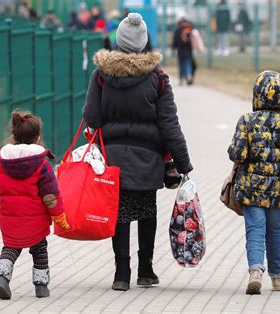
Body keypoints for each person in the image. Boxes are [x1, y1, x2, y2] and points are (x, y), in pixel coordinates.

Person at [83, 13, 193, 291]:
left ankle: (121, 274)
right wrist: (183, 163)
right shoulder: (157, 78)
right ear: (144, 42)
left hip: (112, 157)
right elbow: (169, 124)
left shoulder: (101, 75)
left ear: (119, 40)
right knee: (146, 211)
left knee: (118, 212)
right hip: (148, 158)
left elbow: (92, 118)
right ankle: (145, 270)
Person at [228, 71, 280, 295]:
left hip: (251, 188)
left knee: (255, 229)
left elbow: (237, 152)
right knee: (274, 231)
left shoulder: (246, 121)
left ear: (256, 94)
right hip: (279, 191)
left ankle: (255, 271)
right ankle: (277, 278)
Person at [0, 111, 70, 300]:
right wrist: (59, 216)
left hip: (10, 217)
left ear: (14, 136)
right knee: (40, 249)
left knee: (10, 247)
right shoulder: (42, 164)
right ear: (38, 137)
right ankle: (41, 286)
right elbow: (50, 195)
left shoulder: (1, 162)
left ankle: (1, 276)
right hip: (36, 219)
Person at [172, 17, 194, 85]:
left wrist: (173, 48)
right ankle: (189, 75)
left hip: (180, 50)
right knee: (188, 64)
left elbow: (175, 41)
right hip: (188, 50)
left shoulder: (177, 30)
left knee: (181, 65)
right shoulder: (189, 30)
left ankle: (181, 78)